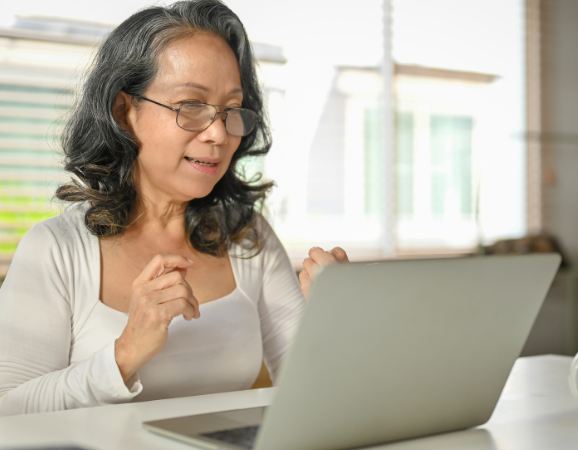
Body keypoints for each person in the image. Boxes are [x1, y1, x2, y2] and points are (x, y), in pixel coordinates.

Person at [0, 0, 348, 416]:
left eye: (231, 110)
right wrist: (125, 354)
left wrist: (337, 320)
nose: (218, 134)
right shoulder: (56, 249)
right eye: (191, 106)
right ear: (123, 112)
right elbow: (8, 408)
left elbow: (315, 397)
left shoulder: (247, 236)